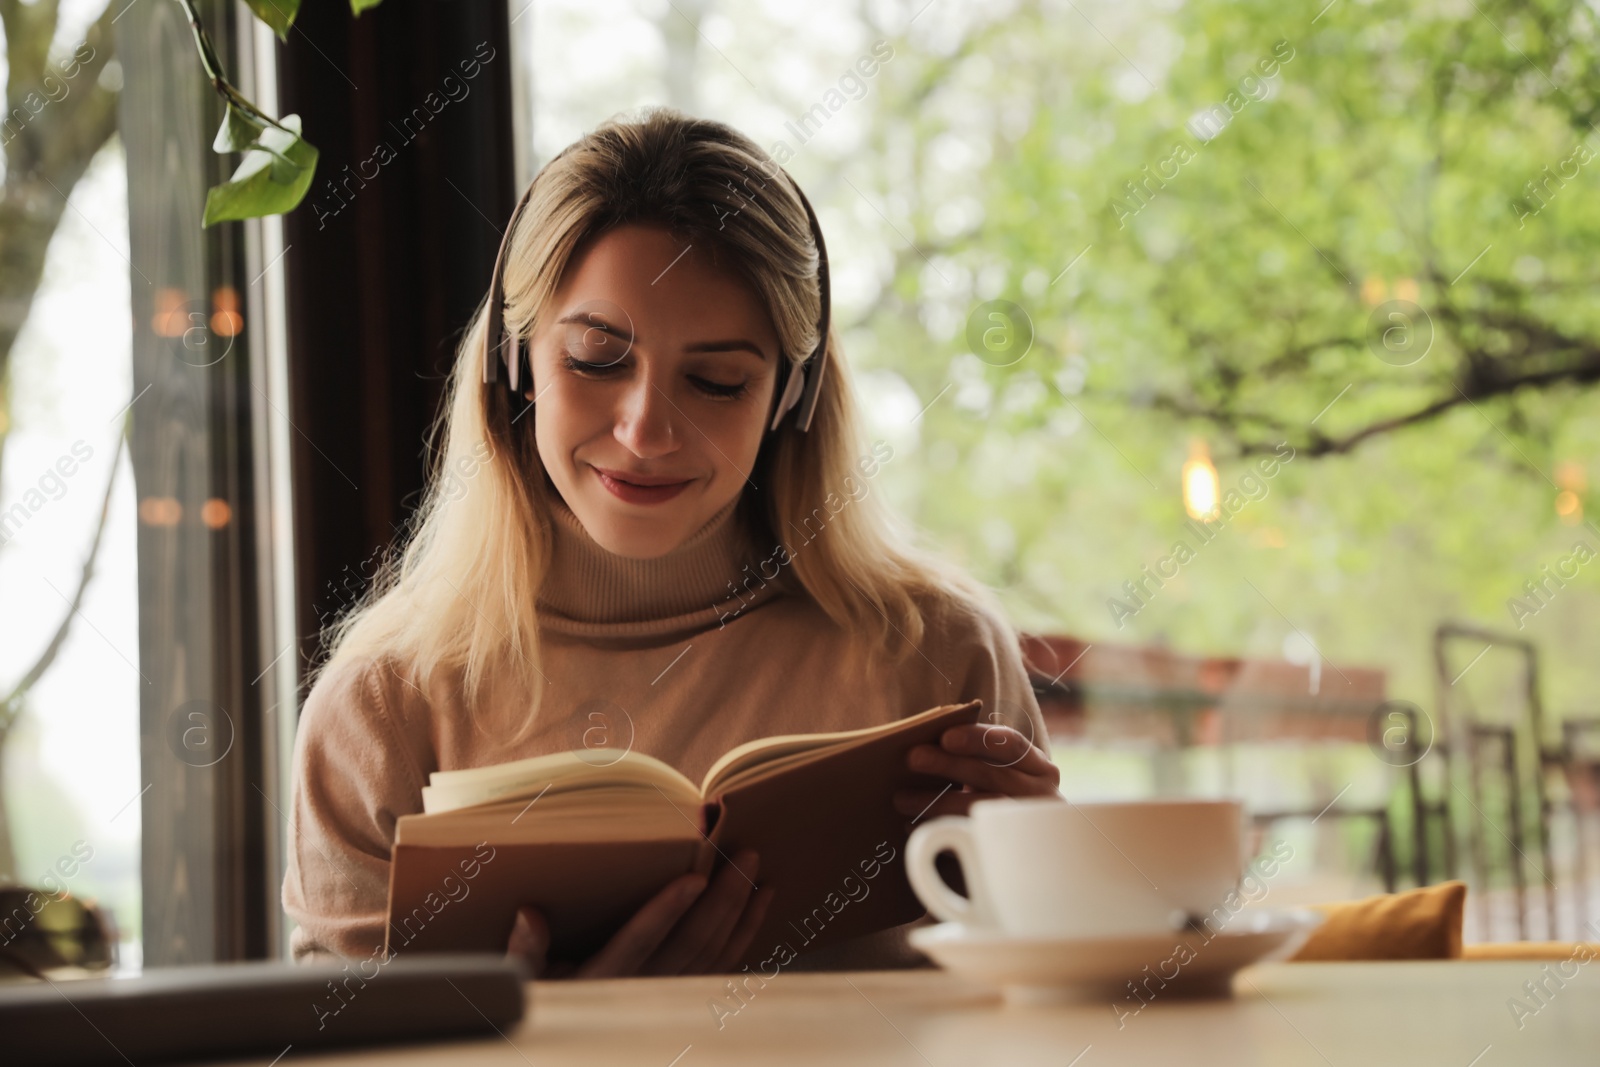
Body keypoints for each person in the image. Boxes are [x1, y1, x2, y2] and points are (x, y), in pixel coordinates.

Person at [282, 108, 1061, 976]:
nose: (647, 429)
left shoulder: (937, 654)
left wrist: (1052, 881)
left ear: (789, 401)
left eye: (717, 380)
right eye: (594, 357)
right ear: (516, 363)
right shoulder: (386, 706)